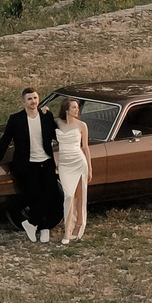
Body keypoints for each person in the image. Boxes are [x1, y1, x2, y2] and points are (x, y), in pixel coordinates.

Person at [0, 86, 64, 243]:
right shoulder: (15, 119)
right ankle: (44, 227)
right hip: (27, 164)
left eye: (35, 98)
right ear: (24, 101)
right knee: (34, 196)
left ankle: (31, 223)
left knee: (51, 193)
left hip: (46, 161)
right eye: (30, 99)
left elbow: (57, 135)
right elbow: (5, 141)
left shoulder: (46, 116)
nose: (33, 101)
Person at [55, 96, 92, 244]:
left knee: (80, 195)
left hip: (78, 161)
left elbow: (85, 147)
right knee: (68, 196)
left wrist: (89, 168)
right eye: (74, 107)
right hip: (64, 164)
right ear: (66, 109)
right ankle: (67, 230)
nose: (77, 110)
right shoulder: (58, 122)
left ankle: (75, 228)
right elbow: (44, 120)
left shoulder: (82, 125)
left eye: (77, 107)